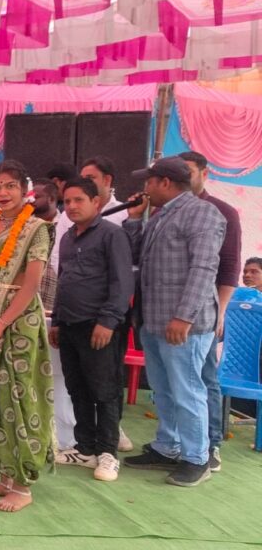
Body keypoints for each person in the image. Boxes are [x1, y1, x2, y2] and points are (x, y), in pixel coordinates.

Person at [121, 156, 225, 488]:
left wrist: (184, 316)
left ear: (165, 182)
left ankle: (197, 458)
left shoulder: (202, 213)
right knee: (163, 390)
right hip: (154, 320)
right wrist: (134, 220)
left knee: (187, 390)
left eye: (149, 182)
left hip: (184, 324)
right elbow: (135, 257)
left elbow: (203, 269)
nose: (145, 188)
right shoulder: (160, 215)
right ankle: (168, 446)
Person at [0, 160, 54, 513]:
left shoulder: (37, 229)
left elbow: (31, 284)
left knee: (17, 397)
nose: (2, 193)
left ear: (24, 190)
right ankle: (4, 477)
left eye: (10, 186)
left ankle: (22, 486)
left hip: (18, 322)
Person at [49, 178, 134, 482]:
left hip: (99, 326)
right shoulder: (67, 238)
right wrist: (57, 321)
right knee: (78, 388)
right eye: (67, 201)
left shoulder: (112, 235)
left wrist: (108, 322)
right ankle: (85, 448)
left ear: (96, 202)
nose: (71, 206)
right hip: (70, 325)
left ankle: (108, 452)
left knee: (105, 390)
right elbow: (64, 281)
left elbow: (122, 283)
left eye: (79, 200)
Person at [182, 150, 242, 471]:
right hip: (171, 311)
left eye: (189, 171)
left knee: (205, 377)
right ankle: (177, 443)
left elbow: (229, 267)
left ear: (204, 174)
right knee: (177, 380)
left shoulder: (223, 211)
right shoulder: (166, 210)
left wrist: (220, 312)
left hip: (206, 311)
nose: (183, 177)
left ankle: (212, 443)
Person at [31, 178, 59, 312]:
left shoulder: (66, 223)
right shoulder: (26, 224)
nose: (32, 201)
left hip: (56, 294)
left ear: (51, 199)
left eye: (37, 197)